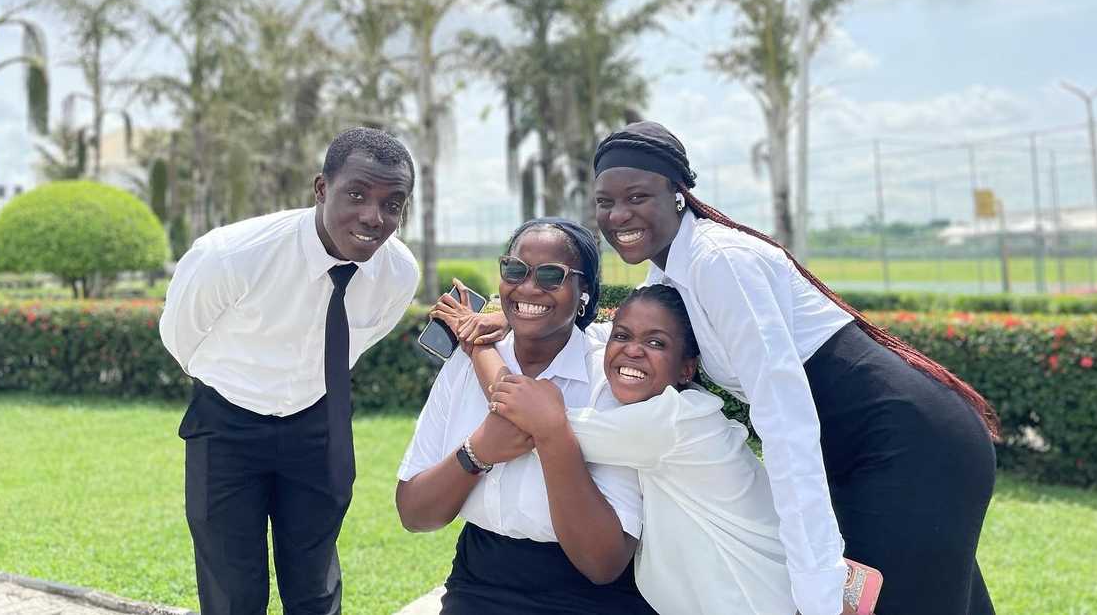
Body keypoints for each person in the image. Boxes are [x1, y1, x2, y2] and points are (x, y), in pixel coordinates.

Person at [588, 120, 998, 615]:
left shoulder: (718, 261)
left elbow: (786, 420)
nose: (618, 215)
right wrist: (521, 322)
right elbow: (611, 337)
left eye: (637, 196)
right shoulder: (672, 267)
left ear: (677, 194)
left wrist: (816, 580)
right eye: (605, 202)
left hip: (910, 445)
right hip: (867, 450)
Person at [159, 127, 420, 615]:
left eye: (392, 203)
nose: (373, 217)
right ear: (322, 188)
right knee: (232, 591)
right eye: (357, 195)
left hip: (319, 425)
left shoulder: (398, 272)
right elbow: (181, 337)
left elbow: (360, 337)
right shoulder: (232, 254)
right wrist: (243, 382)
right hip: (227, 426)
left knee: (315, 586)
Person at [434, 283, 797, 615]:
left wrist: (476, 343)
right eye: (622, 336)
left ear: (688, 367)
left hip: (752, 599)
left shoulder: (671, 424)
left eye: (656, 343)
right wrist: (515, 320)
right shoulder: (683, 411)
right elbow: (597, 331)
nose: (633, 350)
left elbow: (527, 416)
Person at [395, 219, 656, 615]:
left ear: (583, 291)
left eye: (552, 276)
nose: (529, 287)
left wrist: (552, 434)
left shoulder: (610, 380)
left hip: (590, 599)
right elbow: (414, 512)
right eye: (515, 270)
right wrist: (476, 452)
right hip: (478, 583)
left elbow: (603, 564)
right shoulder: (464, 368)